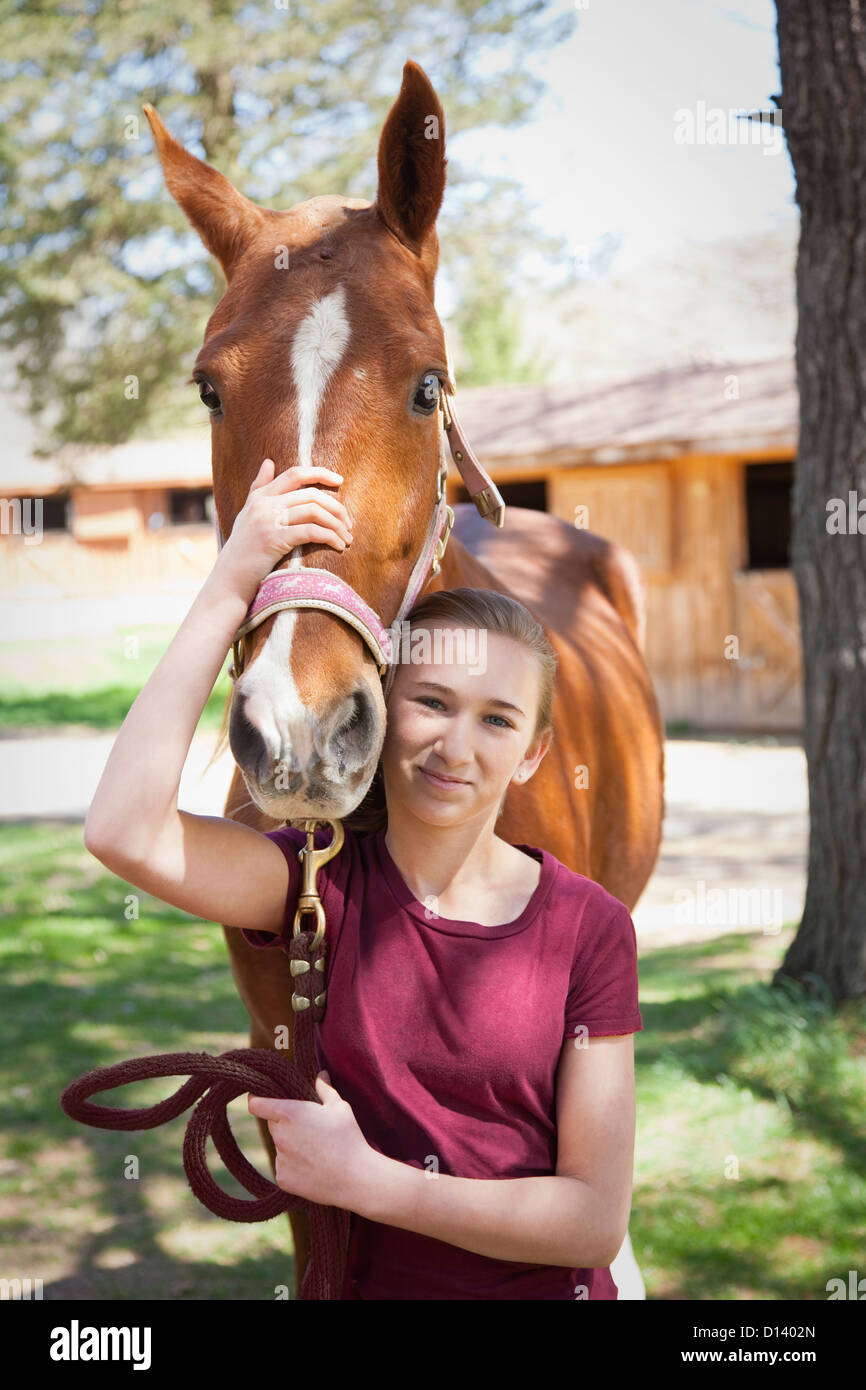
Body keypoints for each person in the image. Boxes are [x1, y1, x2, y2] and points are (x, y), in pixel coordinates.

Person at [84, 457, 643, 1301]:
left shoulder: (591, 928)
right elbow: (124, 831)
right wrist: (231, 581)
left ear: (533, 753)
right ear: (377, 713)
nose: (458, 746)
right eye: (431, 703)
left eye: (497, 719)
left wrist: (370, 1183)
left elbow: (597, 1223)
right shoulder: (314, 883)